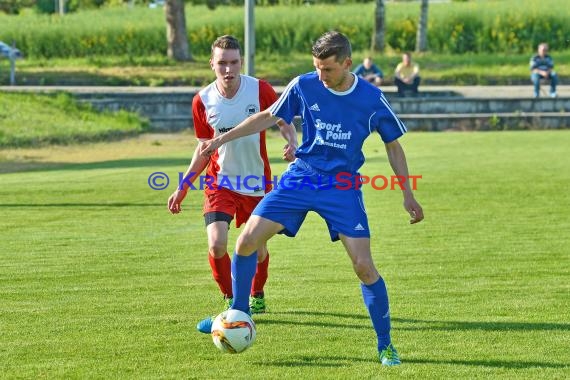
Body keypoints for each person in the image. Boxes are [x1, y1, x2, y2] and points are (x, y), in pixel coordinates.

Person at [201, 31, 424, 366]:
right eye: (317, 68)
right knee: (246, 241)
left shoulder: (371, 98)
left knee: (364, 267)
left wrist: (408, 193)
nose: (321, 76)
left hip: (342, 186)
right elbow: (269, 116)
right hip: (302, 176)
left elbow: (394, 145)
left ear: (348, 64)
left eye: (328, 70)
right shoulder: (304, 84)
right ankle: (239, 314)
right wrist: (221, 140)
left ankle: (386, 346)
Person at [167, 35, 297, 334]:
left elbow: (283, 121)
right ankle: (231, 301)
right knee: (216, 244)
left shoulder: (259, 89)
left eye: (234, 62)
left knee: (258, 250)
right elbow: (204, 149)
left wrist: (292, 142)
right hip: (219, 183)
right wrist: (183, 186)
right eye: (222, 63)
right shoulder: (202, 100)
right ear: (212, 64)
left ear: (241, 62)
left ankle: (257, 294)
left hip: (256, 183)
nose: (228, 69)